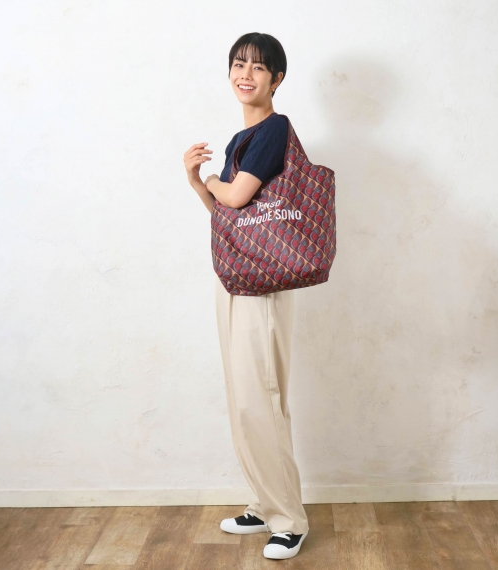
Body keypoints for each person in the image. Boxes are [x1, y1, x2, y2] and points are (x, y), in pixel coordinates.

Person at [183, 32, 309, 560]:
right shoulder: (243, 137)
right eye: (239, 64)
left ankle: (290, 520)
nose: (246, 74)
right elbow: (227, 217)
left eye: (258, 67)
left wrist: (213, 179)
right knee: (243, 397)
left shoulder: (274, 128)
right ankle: (264, 502)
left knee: (262, 399)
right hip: (238, 276)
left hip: (264, 284)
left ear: (276, 79)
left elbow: (234, 196)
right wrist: (197, 180)